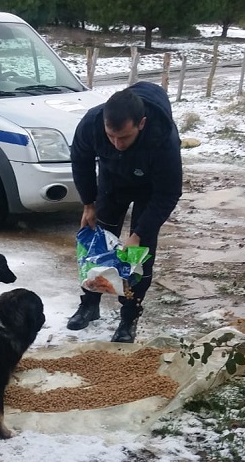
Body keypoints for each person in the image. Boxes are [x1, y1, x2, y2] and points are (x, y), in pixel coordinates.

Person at [67, 81, 183, 343]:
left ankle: (129, 317)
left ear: (141, 124)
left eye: (125, 137)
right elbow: (81, 160)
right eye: (111, 137)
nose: (117, 144)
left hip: (150, 188)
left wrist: (140, 233)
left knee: (139, 257)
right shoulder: (92, 123)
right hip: (113, 181)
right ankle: (89, 304)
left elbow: (169, 194)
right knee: (96, 243)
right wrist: (88, 202)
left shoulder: (163, 138)